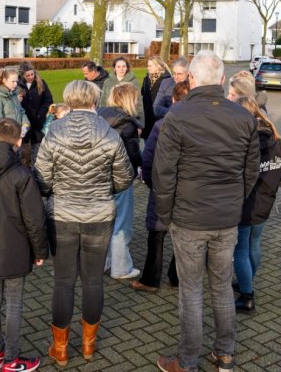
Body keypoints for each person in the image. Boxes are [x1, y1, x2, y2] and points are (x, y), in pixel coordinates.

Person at [152, 51, 260, 372]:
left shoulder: (178, 116)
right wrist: (235, 201)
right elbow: (250, 171)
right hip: (225, 219)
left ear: (193, 79)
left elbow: (163, 173)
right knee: (222, 286)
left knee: (192, 291)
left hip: (188, 219)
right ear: (223, 80)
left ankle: (187, 362)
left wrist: (165, 213)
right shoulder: (243, 118)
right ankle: (224, 354)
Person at [35, 80, 133, 367]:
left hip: (62, 216)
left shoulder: (53, 132)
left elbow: (41, 179)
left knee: (63, 281)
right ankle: (88, 345)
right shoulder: (109, 133)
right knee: (92, 281)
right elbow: (125, 178)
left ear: (69, 100)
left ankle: (61, 347)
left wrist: (58, 191)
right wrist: (104, 191)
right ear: (94, 101)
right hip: (99, 216)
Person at [0, 118, 48, 372]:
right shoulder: (21, 174)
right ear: (18, 141)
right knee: (13, 302)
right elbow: (35, 219)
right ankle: (12, 359)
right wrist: (40, 251)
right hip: (15, 246)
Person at [129, 81, 190, 294]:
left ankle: (151, 280)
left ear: (173, 100)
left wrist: (149, 181)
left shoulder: (162, 125)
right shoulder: (199, 125)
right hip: (187, 190)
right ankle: (176, 277)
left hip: (162, 187)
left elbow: (148, 158)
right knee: (181, 235)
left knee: (156, 234)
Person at [233, 97, 281, 314]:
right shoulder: (276, 138)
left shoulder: (249, 142)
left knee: (240, 250)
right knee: (254, 245)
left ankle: (247, 296)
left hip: (248, 203)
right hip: (266, 201)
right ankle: (248, 282)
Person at [98, 83, 142, 280]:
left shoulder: (98, 116)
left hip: (99, 178)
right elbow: (132, 155)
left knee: (104, 223)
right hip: (121, 179)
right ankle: (121, 267)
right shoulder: (128, 124)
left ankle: (104, 263)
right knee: (121, 224)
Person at [18, 62, 53, 165]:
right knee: (22, 149)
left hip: (38, 121)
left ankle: (36, 170)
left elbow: (48, 100)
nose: (30, 77)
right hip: (23, 122)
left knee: (37, 149)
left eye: (32, 74)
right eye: (27, 75)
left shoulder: (41, 83)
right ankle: (22, 170)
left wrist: (41, 113)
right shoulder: (18, 84)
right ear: (22, 75)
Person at [0, 68, 30, 133]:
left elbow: (21, 111)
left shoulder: (14, 95)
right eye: (13, 81)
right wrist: (11, 136)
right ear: (4, 80)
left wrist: (25, 125)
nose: (16, 84)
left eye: (16, 81)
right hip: (5, 137)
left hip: (16, 135)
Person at [141, 56, 171, 140]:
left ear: (158, 66)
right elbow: (143, 94)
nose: (148, 68)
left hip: (159, 117)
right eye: (148, 66)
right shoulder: (146, 79)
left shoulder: (167, 80)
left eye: (150, 66)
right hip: (147, 117)